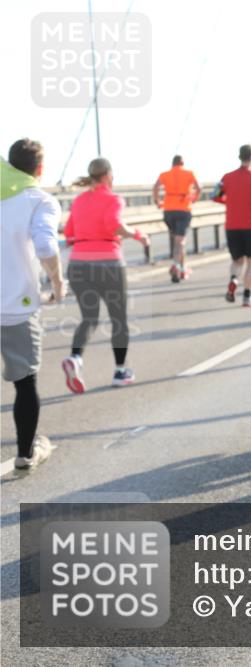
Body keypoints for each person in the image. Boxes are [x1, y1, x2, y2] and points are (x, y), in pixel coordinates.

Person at [60, 157, 151, 392]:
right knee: (118, 319)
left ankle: (75, 358)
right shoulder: (113, 199)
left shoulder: (79, 201)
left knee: (89, 318)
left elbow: (69, 233)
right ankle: (121, 371)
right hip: (108, 264)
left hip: (78, 265)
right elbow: (113, 224)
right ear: (109, 176)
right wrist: (137, 235)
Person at [1, 139, 65, 470]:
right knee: (24, 382)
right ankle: (25, 454)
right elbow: (45, 246)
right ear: (39, 169)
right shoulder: (39, 200)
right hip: (15, 306)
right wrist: (57, 282)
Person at [213, 144, 251, 307]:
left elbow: (214, 195)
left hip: (232, 225)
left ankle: (233, 280)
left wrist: (228, 200)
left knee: (237, 261)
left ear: (239, 157)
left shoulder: (227, 177)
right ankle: (246, 297)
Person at [152, 155, 201, 282]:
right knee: (180, 241)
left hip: (168, 211)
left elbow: (155, 187)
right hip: (183, 209)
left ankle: (182, 269)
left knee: (178, 241)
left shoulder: (164, 174)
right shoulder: (189, 173)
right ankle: (176, 265)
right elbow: (199, 188)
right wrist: (194, 199)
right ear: (182, 163)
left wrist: (158, 201)